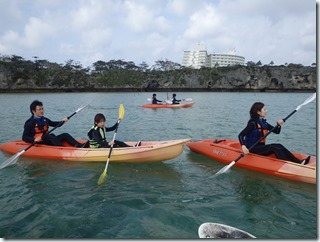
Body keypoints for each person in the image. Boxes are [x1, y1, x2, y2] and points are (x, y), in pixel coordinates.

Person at [238, 102, 310, 165]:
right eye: (264, 109)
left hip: (260, 147)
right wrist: (243, 146)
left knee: (279, 145)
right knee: (274, 147)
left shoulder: (263, 123)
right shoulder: (252, 123)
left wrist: (278, 125)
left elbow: (276, 131)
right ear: (258, 112)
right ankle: (287, 164)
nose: (266, 111)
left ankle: (298, 162)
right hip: (252, 149)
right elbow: (241, 135)